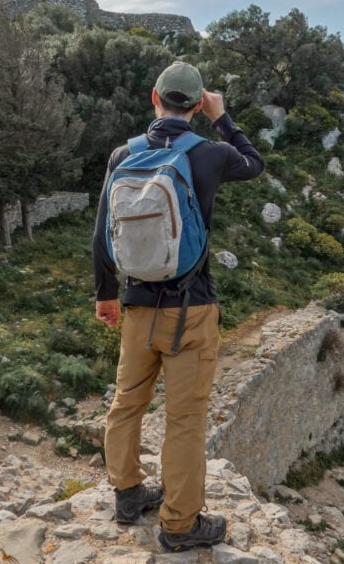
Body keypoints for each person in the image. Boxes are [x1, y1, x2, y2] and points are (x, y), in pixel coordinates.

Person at [93, 61, 264, 551]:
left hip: (136, 306)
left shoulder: (123, 154)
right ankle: (179, 525)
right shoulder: (210, 154)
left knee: (127, 403)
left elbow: (103, 229)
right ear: (196, 104)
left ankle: (127, 495)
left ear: (154, 97)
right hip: (192, 309)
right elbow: (254, 163)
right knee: (185, 420)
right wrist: (223, 118)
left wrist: (107, 294)